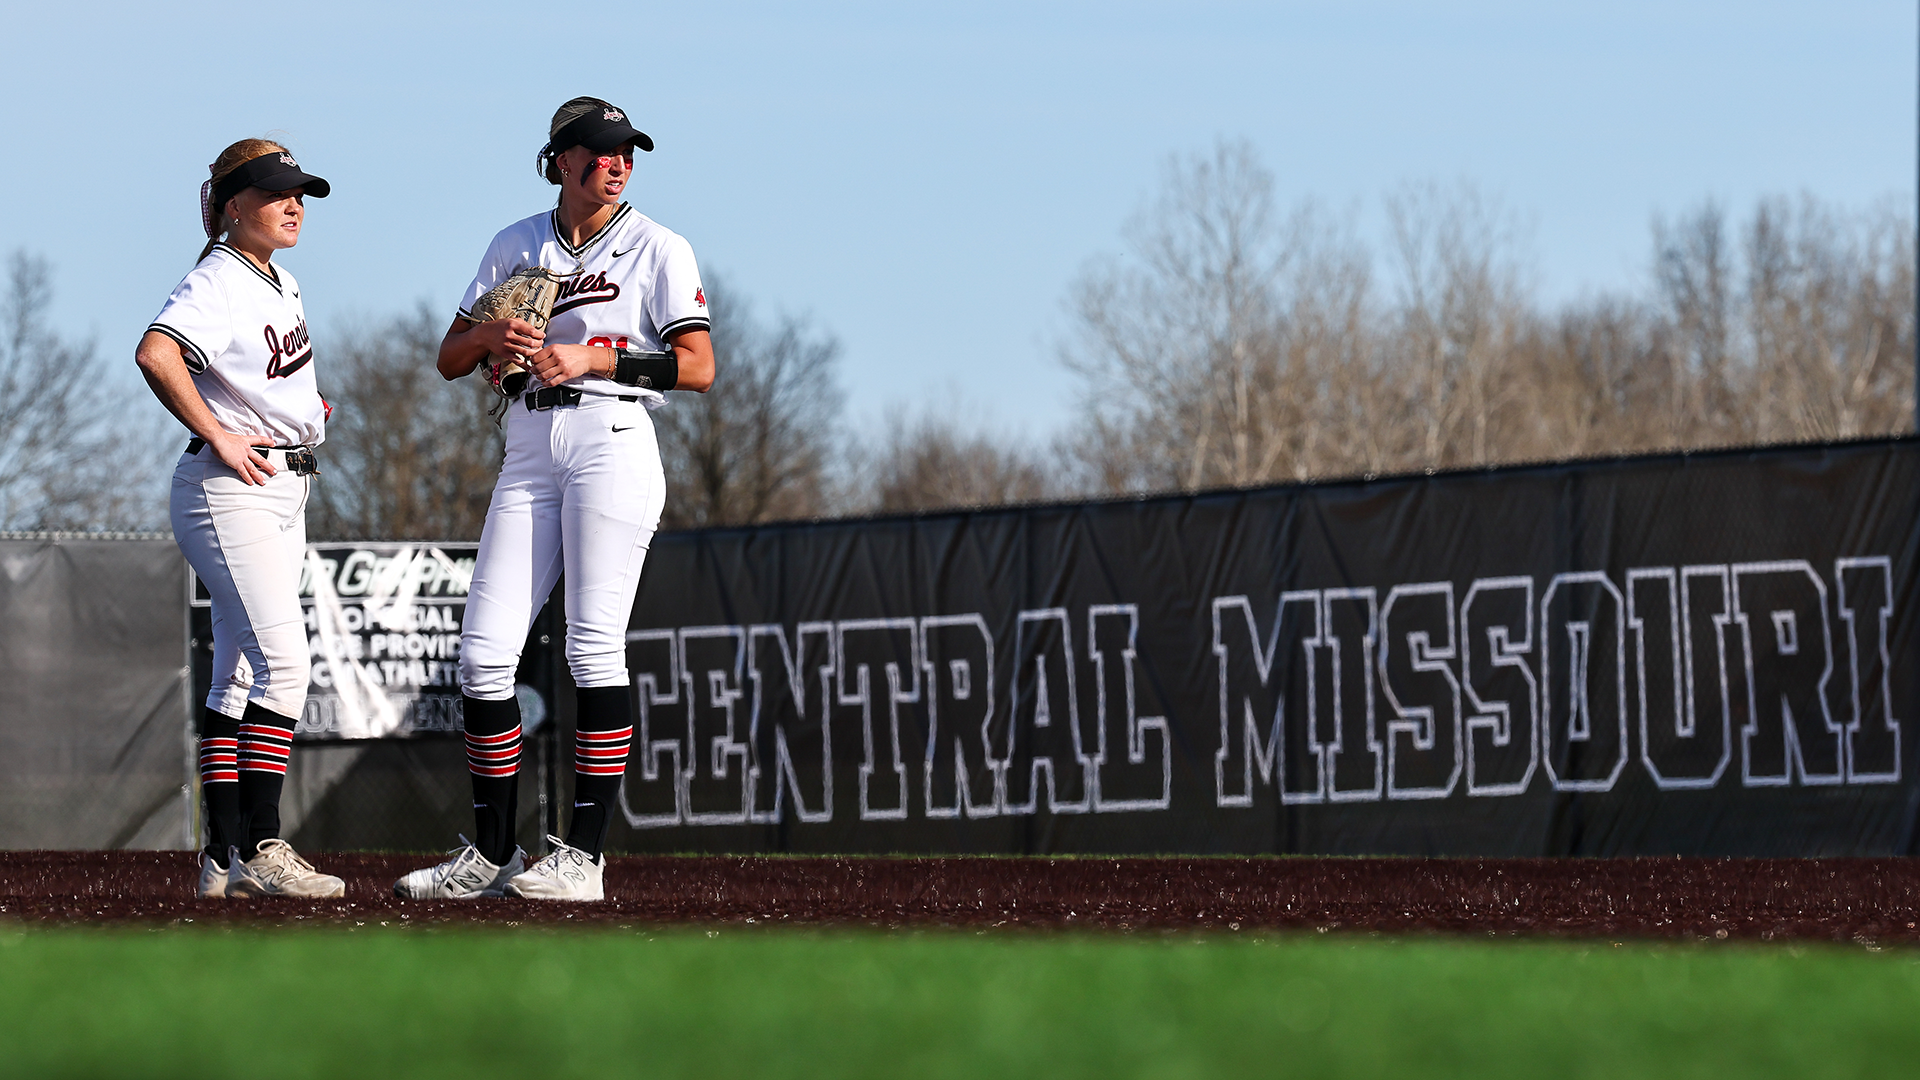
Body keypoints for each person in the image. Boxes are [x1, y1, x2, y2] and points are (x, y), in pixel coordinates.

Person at [394, 97, 714, 901]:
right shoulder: (516, 242)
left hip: (613, 438)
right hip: (529, 445)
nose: (618, 164)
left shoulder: (656, 245)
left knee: (592, 649)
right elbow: (448, 356)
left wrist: (597, 358)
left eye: (627, 153)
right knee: (482, 657)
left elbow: (699, 365)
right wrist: (489, 340)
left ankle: (583, 859)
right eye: (601, 151)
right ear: (560, 161)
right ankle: (495, 854)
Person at [135, 139, 345, 899]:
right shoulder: (219, 276)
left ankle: (220, 858)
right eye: (276, 191)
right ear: (232, 204)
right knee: (287, 663)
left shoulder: (279, 279)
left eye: (300, 192)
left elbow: (255, 376)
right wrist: (222, 431)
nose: (294, 204)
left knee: (240, 673)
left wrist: (298, 414)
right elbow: (157, 354)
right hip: (228, 489)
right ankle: (262, 843)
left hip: (281, 487)